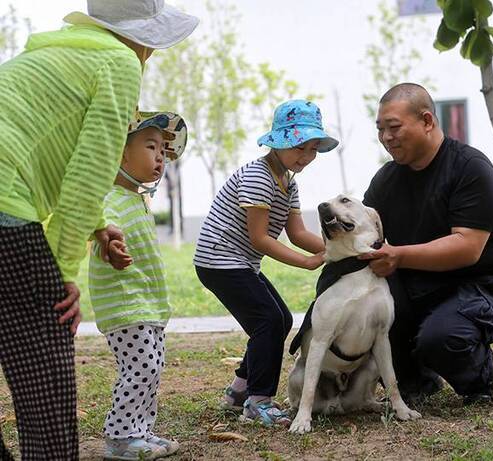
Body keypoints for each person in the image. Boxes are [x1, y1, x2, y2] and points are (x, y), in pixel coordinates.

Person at [0, 1, 197, 459]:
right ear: (143, 36)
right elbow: (90, 172)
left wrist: (97, 226)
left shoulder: (50, 54)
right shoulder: (119, 60)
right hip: (6, 206)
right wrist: (64, 269)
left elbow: (54, 150)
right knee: (43, 381)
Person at [360, 83, 493, 406]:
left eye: (394, 127)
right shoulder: (385, 180)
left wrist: (399, 256)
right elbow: (363, 235)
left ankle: (482, 383)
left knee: (442, 337)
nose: (387, 137)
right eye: (381, 129)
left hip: (480, 287)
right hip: (416, 287)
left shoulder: (470, 169)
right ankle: (416, 383)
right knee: (365, 307)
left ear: (428, 121)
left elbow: (467, 246)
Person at [194, 100, 337, 426]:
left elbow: (298, 233)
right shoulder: (259, 177)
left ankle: (239, 392)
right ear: (280, 142)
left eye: (313, 149)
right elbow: (260, 238)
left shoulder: (288, 181)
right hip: (219, 259)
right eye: (300, 147)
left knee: (279, 319)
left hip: (239, 261)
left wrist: (338, 251)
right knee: (268, 321)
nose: (307, 156)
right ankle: (258, 402)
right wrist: (306, 262)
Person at [88, 111, 187, 460]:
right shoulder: (111, 199)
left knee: (152, 366)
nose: (160, 156)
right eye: (150, 146)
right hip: (125, 304)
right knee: (141, 367)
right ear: (119, 153)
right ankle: (120, 438)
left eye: (163, 150)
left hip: (146, 303)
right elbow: (102, 234)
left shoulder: (137, 199)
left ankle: (140, 431)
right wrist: (109, 248)